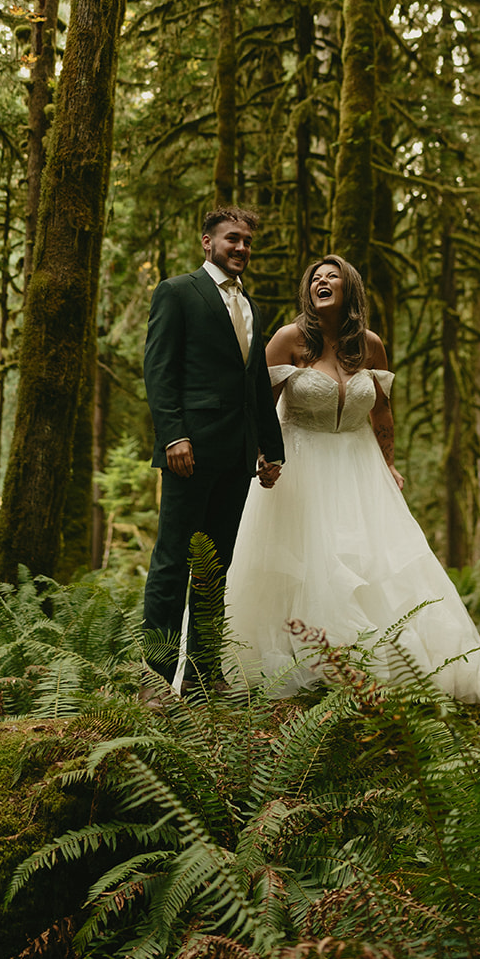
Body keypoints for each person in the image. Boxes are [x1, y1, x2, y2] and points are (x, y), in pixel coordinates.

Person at [225, 255, 480, 709]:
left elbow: (381, 411)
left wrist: (390, 462)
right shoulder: (288, 339)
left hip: (361, 469)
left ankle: (379, 667)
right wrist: (262, 456)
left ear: (349, 289)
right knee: (309, 562)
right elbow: (258, 404)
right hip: (300, 466)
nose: (321, 281)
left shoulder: (370, 346)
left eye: (331, 276)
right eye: (314, 278)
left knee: (376, 562)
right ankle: (305, 666)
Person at [141, 207, 285, 694]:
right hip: (190, 451)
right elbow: (159, 371)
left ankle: (204, 678)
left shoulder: (252, 307)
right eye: (232, 239)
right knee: (172, 560)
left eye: (247, 241)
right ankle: (155, 679)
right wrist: (173, 436)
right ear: (207, 242)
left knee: (215, 567)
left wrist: (270, 447)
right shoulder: (178, 292)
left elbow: (256, 385)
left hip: (237, 457)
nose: (241, 247)